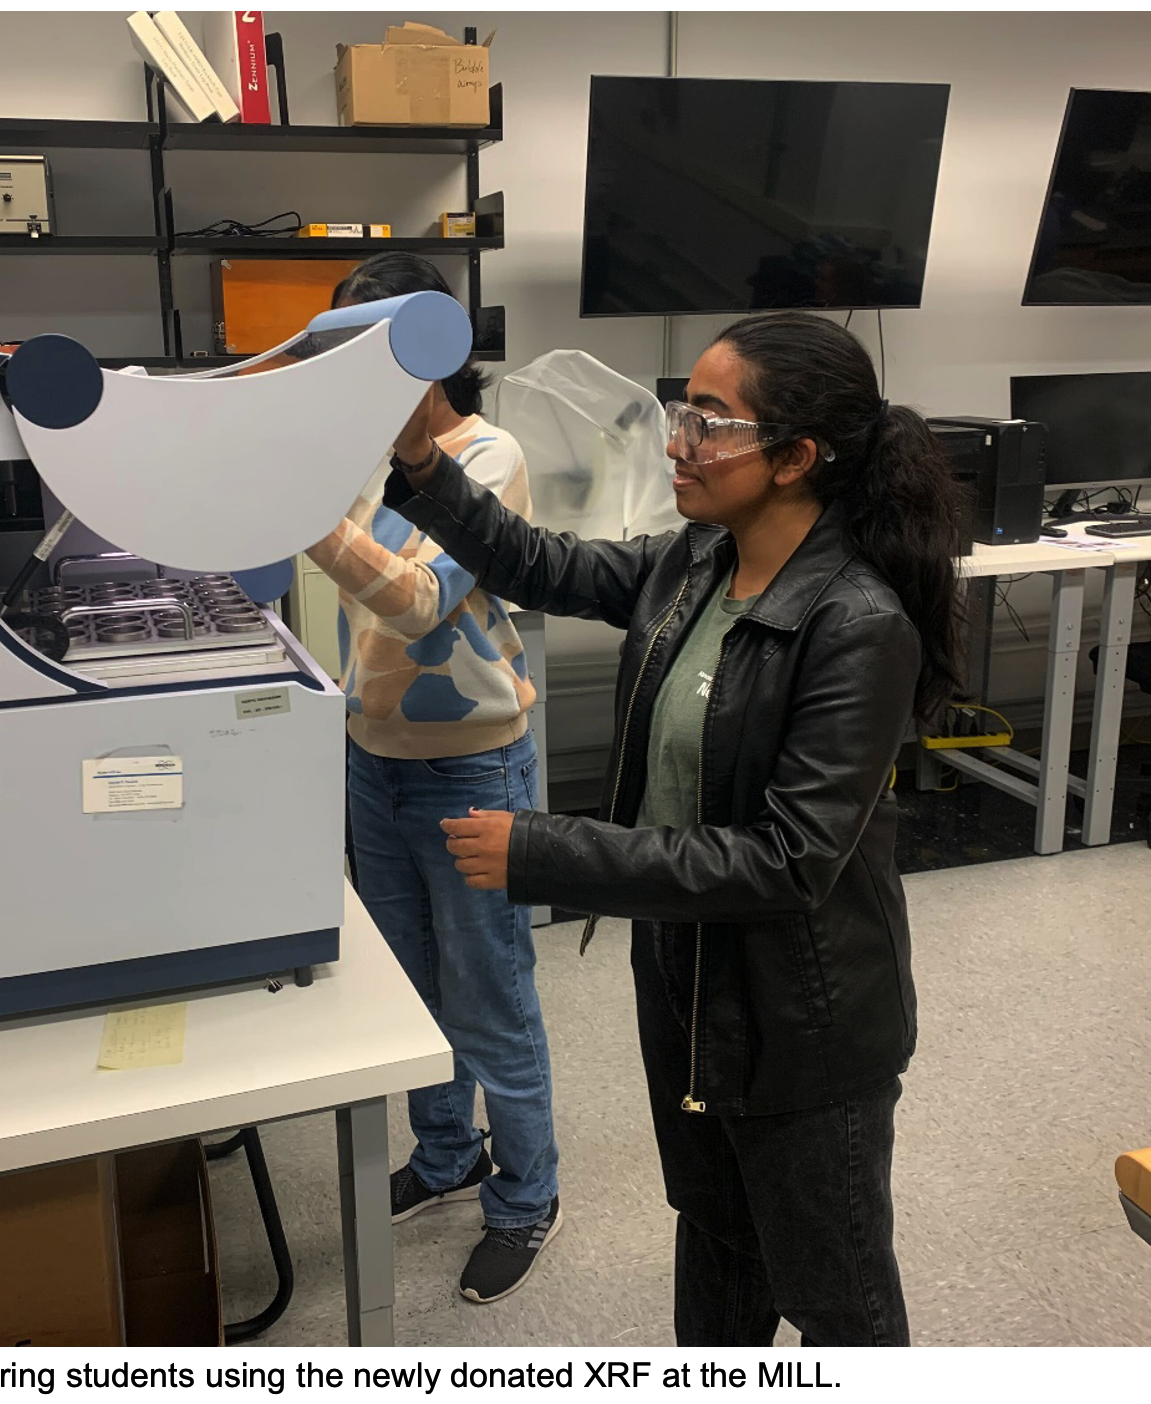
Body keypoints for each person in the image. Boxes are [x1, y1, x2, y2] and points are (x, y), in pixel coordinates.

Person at [382, 311, 965, 1346]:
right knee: (716, 1243)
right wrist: (424, 461)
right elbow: (542, 565)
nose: (675, 441)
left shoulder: (857, 623)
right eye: (679, 410)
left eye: (710, 422)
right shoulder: (699, 559)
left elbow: (789, 859)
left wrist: (544, 850)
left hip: (803, 1022)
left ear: (793, 458)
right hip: (689, 988)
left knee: (836, 1297)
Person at [307, 253, 562, 1305]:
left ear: (426, 351)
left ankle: (525, 1196)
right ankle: (447, 1154)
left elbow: (416, 602)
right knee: (408, 988)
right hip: (374, 761)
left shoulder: (483, 457)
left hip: (471, 767)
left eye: (365, 350)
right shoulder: (351, 455)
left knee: (488, 992)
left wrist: (302, 512)